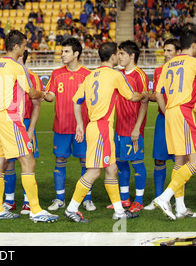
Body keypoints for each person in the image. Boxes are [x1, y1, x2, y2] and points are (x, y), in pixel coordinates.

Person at [65, 41, 148, 223]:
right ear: (112, 57)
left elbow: (76, 100)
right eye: (117, 54)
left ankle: (119, 211)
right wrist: (145, 95)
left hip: (96, 127)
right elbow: (132, 96)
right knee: (94, 172)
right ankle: (71, 208)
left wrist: (80, 124)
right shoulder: (114, 75)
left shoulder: (91, 76)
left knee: (111, 169)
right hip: (102, 128)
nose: (119, 57)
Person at [0, 29, 58, 223]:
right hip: (11, 118)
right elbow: (30, 93)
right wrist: (45, 94)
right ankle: (35, 210)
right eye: (25, 45)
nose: (26, 49)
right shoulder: (17, 67)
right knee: (28, 160)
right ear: (17, 47)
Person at [43, 38, 93, 212]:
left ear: (76, 53)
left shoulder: (88, 75)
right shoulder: (57, 73)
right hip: (62, 126)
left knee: (86, 162)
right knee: (60, 160)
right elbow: (50, 96)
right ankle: (59, 198)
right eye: (62, 51)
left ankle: (87, 198)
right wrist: (42, 94)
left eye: (66, 52)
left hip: (82, 127)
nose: (62, 55)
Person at [153, 29, 196, 220]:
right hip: (184, 112)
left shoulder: (168, 65)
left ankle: (180, 207)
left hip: (170, 112)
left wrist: (165, 110)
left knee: (180, 160)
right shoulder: (193, 62)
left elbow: (158, 93)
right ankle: (165, 196)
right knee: (194, 161)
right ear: (194, 46)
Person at [3, 49, 43, 215]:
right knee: (9, 162)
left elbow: (37, 104)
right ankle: (9, 200)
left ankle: (27, 202)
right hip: (8, 122)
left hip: (24, 122)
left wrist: (31, 129)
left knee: (27, 162)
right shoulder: (8, 74)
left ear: (20, 57)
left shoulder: (32, 77)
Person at [110, 40, 149, 213]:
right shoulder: (118, 74)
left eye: (122, 54)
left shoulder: (140, 75)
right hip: (119, 127)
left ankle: (139, 200)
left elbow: (145, 103)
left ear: (132, 56)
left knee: (137, 163)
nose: (119, 57)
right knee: (121, 163)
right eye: (118, 54)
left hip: (133, 128)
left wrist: (137, 127)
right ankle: (124, 199)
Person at [144, 39, 179, 210]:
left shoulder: (186, 69)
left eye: (169, 50)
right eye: (164, 50)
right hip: (163, 119)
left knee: (180, 161)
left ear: (178, 52)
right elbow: (157, 94)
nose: (165, 54)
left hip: (179, 119)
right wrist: (147, 96)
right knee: (159, 159)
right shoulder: (159, 70)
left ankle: (176, 200)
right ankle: (158, 199)